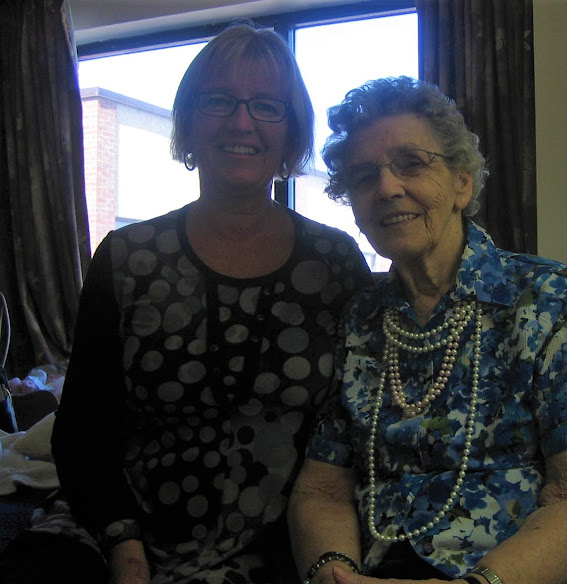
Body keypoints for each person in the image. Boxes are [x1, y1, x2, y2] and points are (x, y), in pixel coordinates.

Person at [0, 22, 371, 584]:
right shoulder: (126, 257)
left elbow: (363, 432)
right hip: (117, 527)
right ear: (189, 122)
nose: (241, 122)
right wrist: (124, 548)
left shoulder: (336, 263)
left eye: (266, 106)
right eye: (218, 100)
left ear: (292, 132)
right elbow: (81, 434)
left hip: (279, 540)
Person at [287, 76, 567, 584]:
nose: (387, 188)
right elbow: (322, 489)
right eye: (364, 175)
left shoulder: (546, 296)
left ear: (462, 183)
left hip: (532, 568)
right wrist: (332, 570)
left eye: (412, 163)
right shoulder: (360, 319)